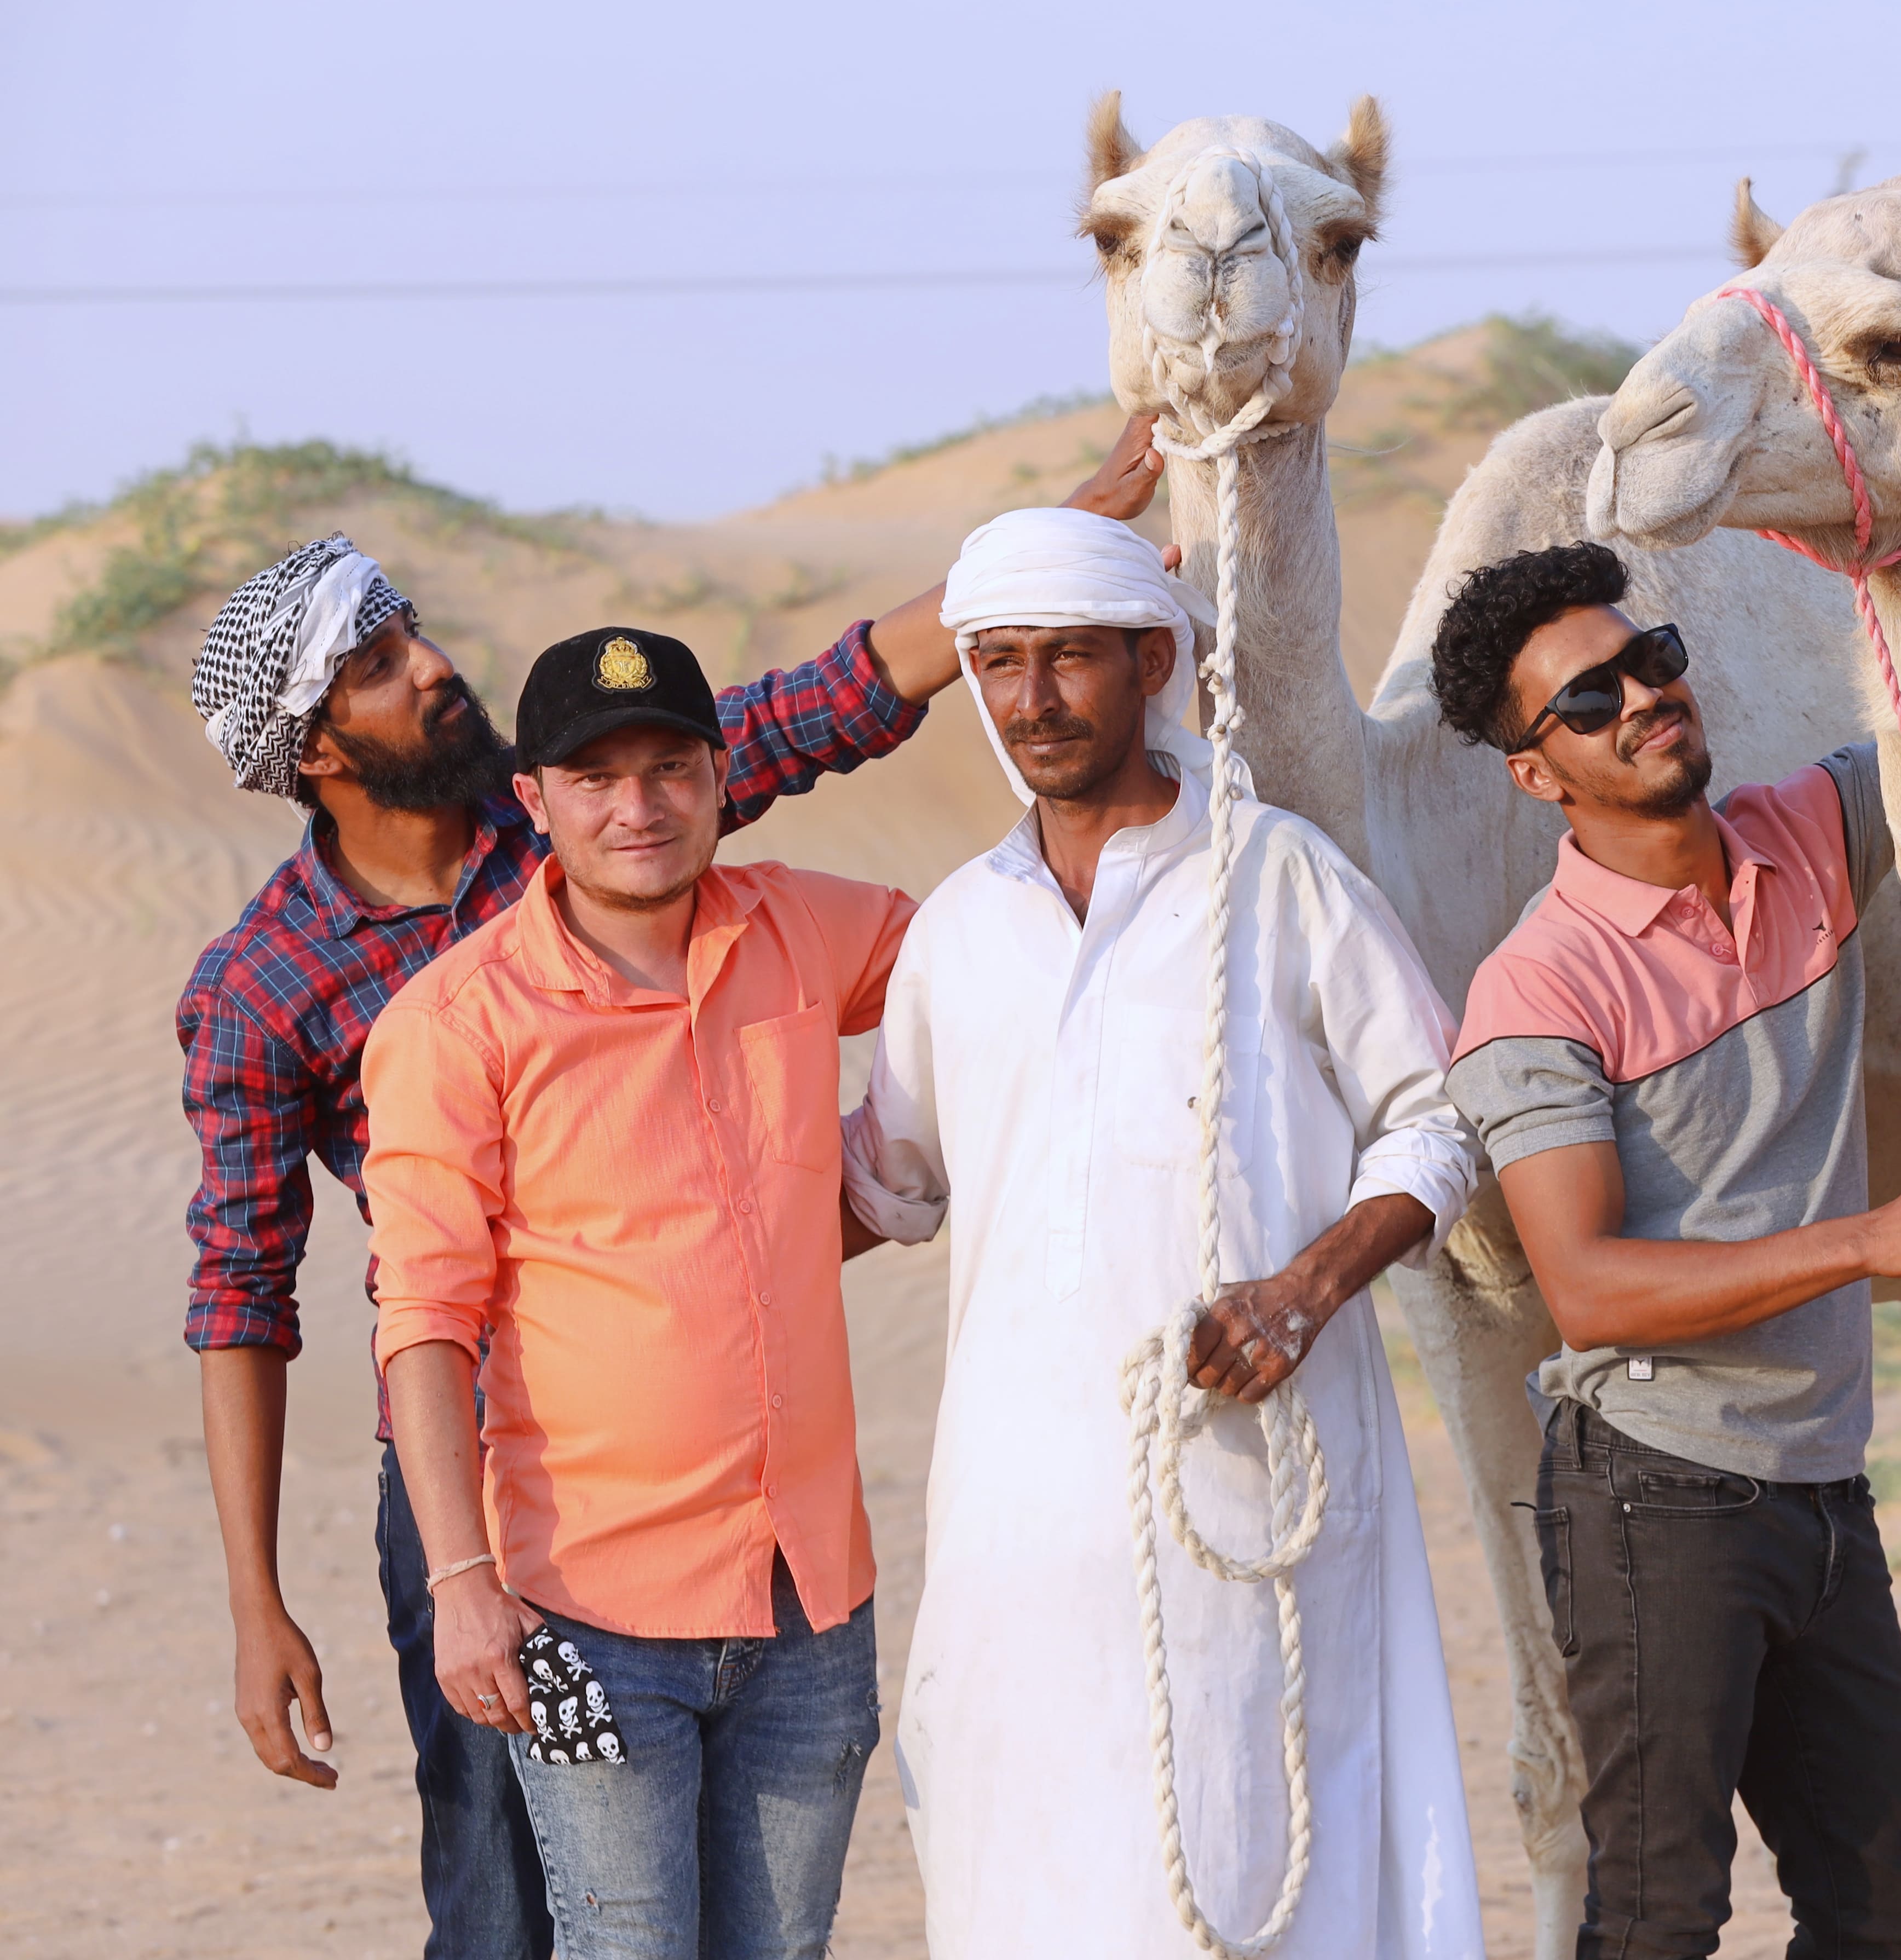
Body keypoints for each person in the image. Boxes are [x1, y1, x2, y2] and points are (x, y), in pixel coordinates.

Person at [175, 420, 1162, 1958]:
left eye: (412, 630)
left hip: (756, 1508)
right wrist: (261, 1601)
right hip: (477, 1492)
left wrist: (1029, 570)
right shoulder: (269, 985)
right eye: (376, 665)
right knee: (502, 1910)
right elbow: (247, 1297)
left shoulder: (606, 817)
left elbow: (827, 703)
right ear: (314, 749)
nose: (431, 666)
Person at [837, 508, 1486, 1959]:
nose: (1031, 698)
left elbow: (1440, 1119)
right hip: (1017, 1508)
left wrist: (1308, 1287)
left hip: (1248, 1487)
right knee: (1026, 1857)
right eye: (999, 661)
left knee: (1256, 1846)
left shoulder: (1281, 879)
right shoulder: (958, 929)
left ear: (1151, 661)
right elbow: (886, 1182)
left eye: (1069, 656)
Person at [1428, 542, 1901, 1960]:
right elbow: (1586, 1288)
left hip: (1822, 1483)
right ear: (1537, 772)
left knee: (1881, 1911)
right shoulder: (1538, 991)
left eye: (1651, 659)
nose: (1644, 696)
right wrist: (1875, 1241)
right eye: (1591, 698)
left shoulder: (1807, 834)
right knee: (1656, 1920)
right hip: (1659, 1496)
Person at [366, 624, 918, 1960]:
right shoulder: (455, 1025)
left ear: (720, 777)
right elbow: (426, 1322)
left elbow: (999, 962)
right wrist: (461, 1581)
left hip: (810, 1598)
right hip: (587, 1613)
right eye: (596, 777)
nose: (639, 807)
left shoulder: (804, 927)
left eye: (670, 766)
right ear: (534, 799)